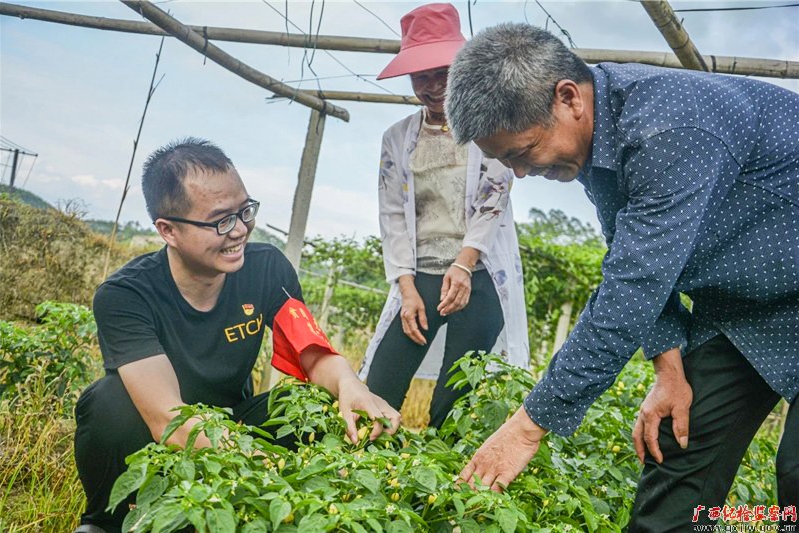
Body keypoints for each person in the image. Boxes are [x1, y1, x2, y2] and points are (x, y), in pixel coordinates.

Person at [444, 23, 798, 531]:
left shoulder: (669, 127)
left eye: (522, 152)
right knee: (681, 451)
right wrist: (668, 371)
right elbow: (631, 255)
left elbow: (631, 289)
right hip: (748, 308)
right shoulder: (601, 136)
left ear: (568, 98)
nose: (519, 173)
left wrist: (527, 426)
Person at [73, 138, 401, 533]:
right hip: (162, 429)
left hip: (235, 418)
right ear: (168, 230)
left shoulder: (266, 268)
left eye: (245, 211)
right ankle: (108, 521)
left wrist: (350, 385)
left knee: (314, 400)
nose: (241, 230)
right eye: (220, 221)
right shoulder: (126, 294)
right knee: (107, 401)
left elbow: (311, 352)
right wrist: (253, 466)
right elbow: (167, 417)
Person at [357, 3, 528, 429]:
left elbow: (495, 196)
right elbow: (393, 214)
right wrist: (406, 287)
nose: (433, 86)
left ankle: (439, 490)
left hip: (479, 276)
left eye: (442, 73)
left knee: (454, 404)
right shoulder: (398, 138)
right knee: (380, 387)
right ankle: (364, 473)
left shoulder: (490, 124)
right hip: (421, 277)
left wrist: (464, 264)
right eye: (422, 76)